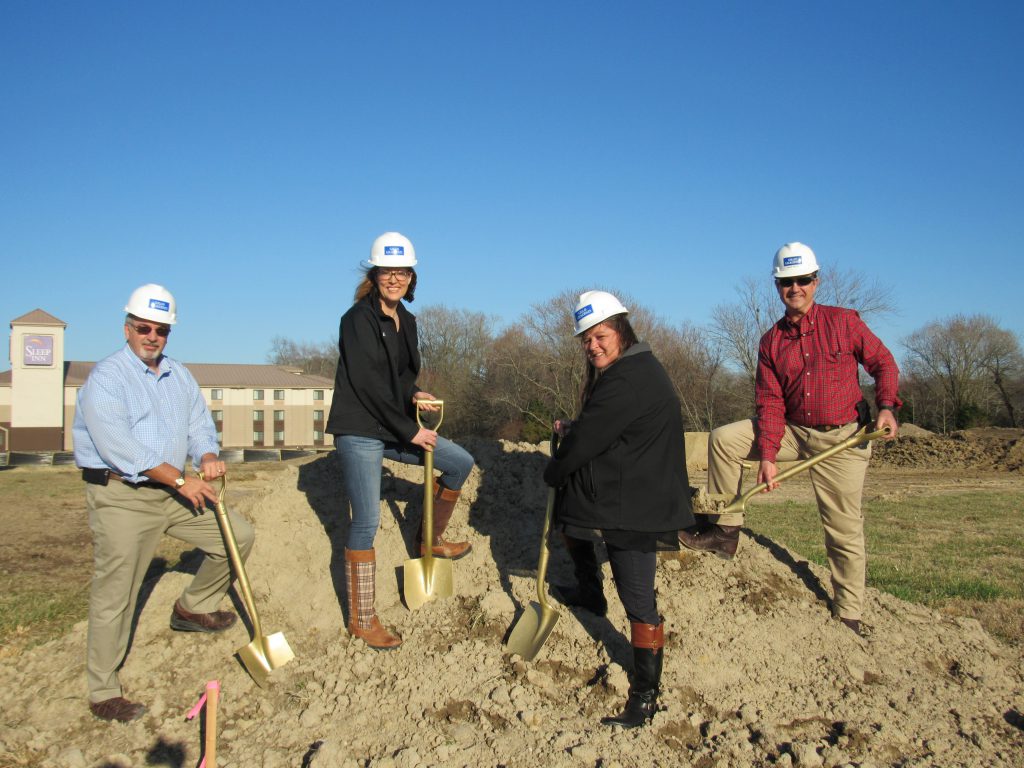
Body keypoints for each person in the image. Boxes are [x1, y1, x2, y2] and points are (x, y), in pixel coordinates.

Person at [679, 242, 900, 635]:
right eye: (786, 282)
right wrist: (766, 455)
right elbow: (770, 401)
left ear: (816, 281)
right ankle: (725, 531)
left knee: (843, 527)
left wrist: (886, 406)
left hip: (842, 439)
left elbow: (883, 363)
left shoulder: (844, 322)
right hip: (794, 432)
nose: (794, 288)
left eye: (802, 280)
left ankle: (848, 611)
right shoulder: (771, 341)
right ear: (777, 285)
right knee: (725, 439)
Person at [73, 284, 254, 723]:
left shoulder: (179, 375)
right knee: (117, 590)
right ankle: (103, 690)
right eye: (144, 327)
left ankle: (193, 607)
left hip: (172, 491)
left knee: (237, 535)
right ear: (128, 328)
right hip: (122, 495)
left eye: (162, 330)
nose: (153, 336)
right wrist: (179, 478)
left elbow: (198, 424)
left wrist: (207, 456)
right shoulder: (107, 378)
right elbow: (120, 447)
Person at [543, 291, 694, 729]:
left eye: (601, 335)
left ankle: (644, 697)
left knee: (638, 599)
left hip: (638, 504)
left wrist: (553, 470)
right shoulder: (634, 368)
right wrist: (577, 430)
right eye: (586, 339)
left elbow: (588, 441)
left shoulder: (626, 379)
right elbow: (602, 427)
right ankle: (590, 591)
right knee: (571, 512)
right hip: (630, 486)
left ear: (621, 330)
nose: (593, 346)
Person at [326, 232, 475, 650]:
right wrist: (411, 430)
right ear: (375, 274)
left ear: (412, 277)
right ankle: (362, 617)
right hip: (360, 429)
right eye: (387, 272)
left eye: (402, 272)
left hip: (393, 425)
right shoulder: (356, 320)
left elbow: (400, 378)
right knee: (367, 520)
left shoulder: (407, 320)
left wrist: (414, 394)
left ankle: (429, 538)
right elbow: (369, 385)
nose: (395, 279)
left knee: (460, 462)